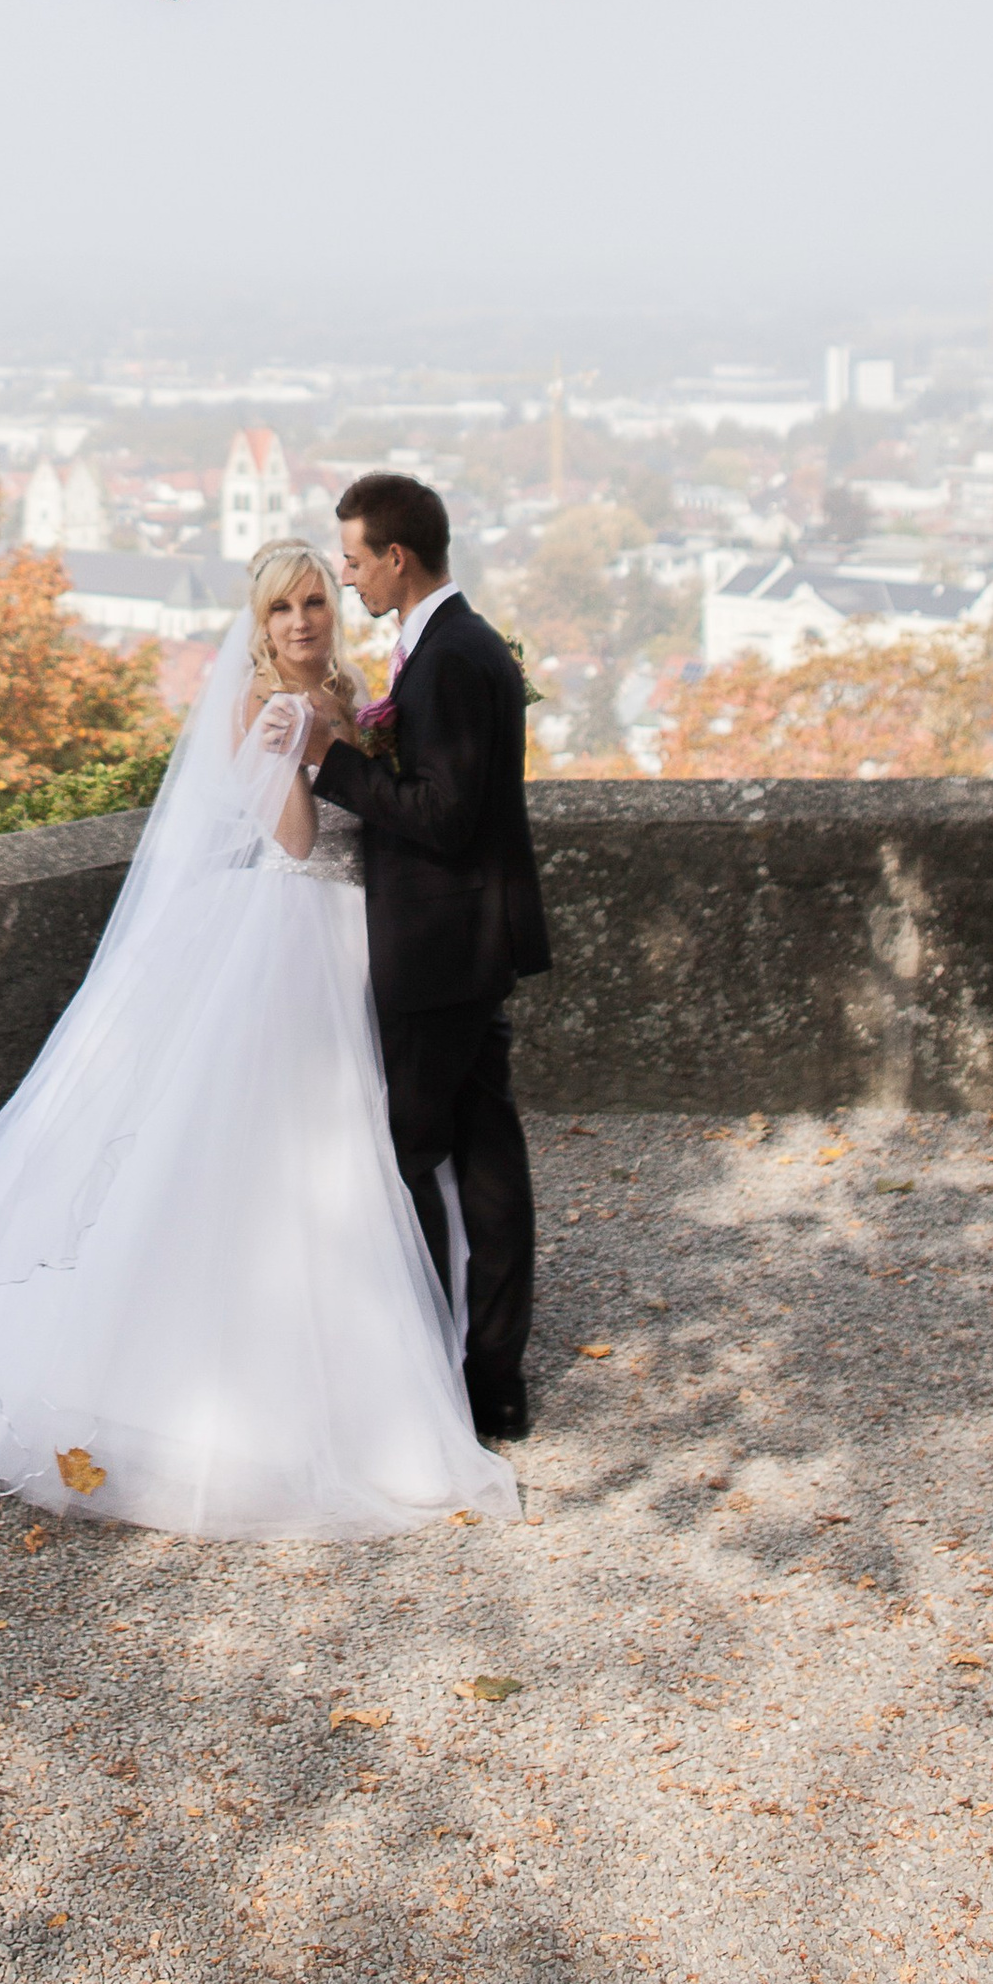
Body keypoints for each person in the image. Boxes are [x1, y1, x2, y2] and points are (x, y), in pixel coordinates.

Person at [0, 540, 517, 1540]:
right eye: (281, 610)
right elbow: (297, 841)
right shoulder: (261, 709)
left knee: (380, 1157)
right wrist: (301, 750)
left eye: (313, 602)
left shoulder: (355, 689)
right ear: (257, 625)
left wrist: (351, 741)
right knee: (277, 1153)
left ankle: (396, 1348)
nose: (301, 621)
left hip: (368, 933)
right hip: (292, 929)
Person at [299, 473, 548, 1444]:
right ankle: (494, 1380)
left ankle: (428, 1374)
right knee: (487, 1162)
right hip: (474, 939)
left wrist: (334, 759)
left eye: (354, 561)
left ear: (396, 557)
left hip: (438, 949)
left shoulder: (446, 659)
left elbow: (441, 815)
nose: (348, 578)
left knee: (404, 1160)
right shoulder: (462, 643)